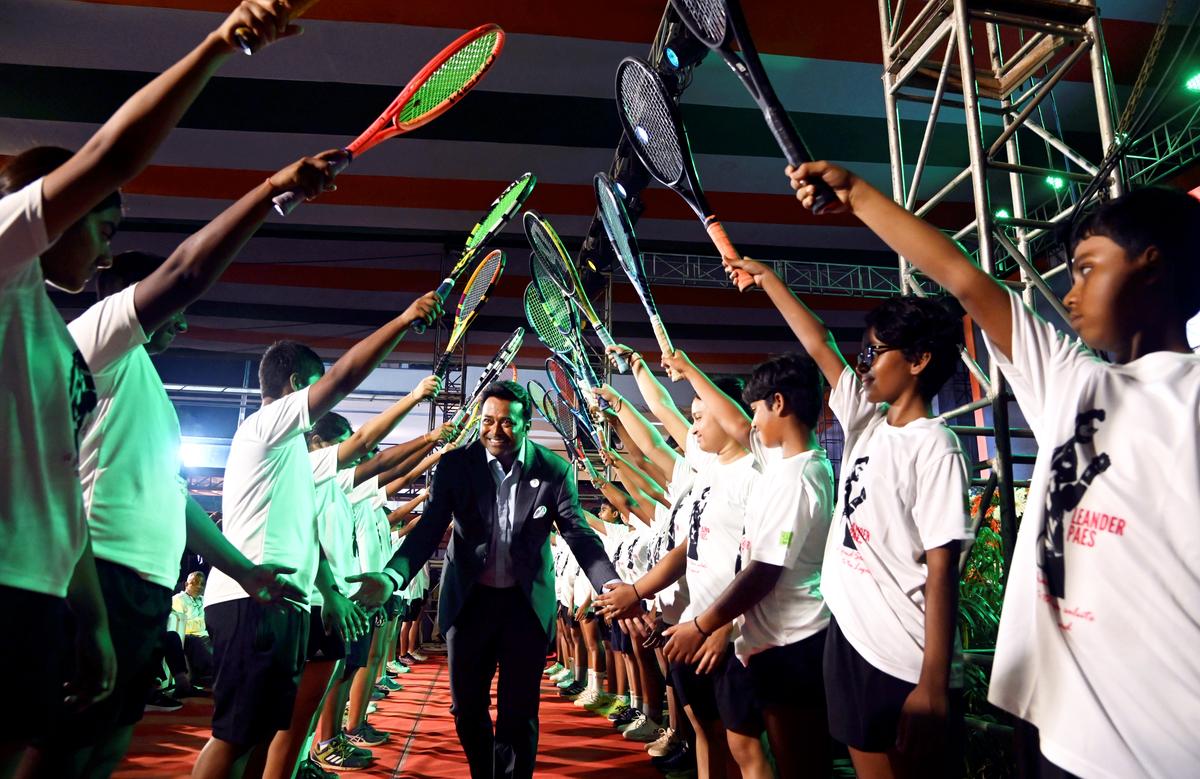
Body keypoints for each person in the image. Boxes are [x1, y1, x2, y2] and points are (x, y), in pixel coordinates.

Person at [786, 161, 1200, 778]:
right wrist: (860, 197)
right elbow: (962, 277)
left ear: (1153, 264)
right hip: (1053, 728)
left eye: (1088, 268)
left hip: (1159, 745)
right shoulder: (1072, 381)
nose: (1069, 294)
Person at [0, 3, 299, 774]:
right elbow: (171, 253)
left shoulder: (46, 335)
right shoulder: (13, 265)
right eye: (101, 224)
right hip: (21, 582)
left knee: (83, 751)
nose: (104, 252)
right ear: (52, 211)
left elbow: (61, 491)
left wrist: (91, 617)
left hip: (55, 587)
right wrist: (218, 46)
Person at [723, 245, 970, 778]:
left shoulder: (935, 446)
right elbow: (819, 341)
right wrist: (769, 280)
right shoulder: (866, 423)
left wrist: (931, 682)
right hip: (852, 642)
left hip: (904, 657)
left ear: (918, 360)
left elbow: (943, 571)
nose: (862, 364)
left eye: (876, 352)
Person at [190, 285, 442, 779]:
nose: (319, 397)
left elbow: (321, 524)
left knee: (262, 733)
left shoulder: (295, 462)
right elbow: (354, 395)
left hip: (282, 602)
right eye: (314, 386)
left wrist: (327, 591)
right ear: (293, 386)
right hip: (250, 601)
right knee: (235, 735)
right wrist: (404, 319)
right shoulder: (263, 428)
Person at [350, 381, 621, 779]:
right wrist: (392, 576)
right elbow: (429, 529)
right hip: (470, 604)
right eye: (488, 420)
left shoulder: (553, 469)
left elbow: (579, 533)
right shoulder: (457, 465)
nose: (495, 430)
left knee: (519, 712)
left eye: (507, 423)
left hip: (524, 608)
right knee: (466, 708)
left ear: (527, 424)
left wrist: (610, 584)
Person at [657, 351, 836, 778]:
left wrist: (703, 626)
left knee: (798, 764)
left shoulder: (801, 476)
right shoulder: (780, 461)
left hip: (796, 642)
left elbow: (763, 571)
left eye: (755, 409)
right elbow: (736, 423)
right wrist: (689, 372)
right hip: (770, 640)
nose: (749, 422)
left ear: (779, 403)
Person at [171, 571, 215, 690]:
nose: (199, 586)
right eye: (195, 583)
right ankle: (207, 676)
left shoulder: (205, 599)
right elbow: (181, 623)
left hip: (206, 633)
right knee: (198, 642)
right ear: (186, 584)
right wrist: (203, 623)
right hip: (188, 635)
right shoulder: (178, 599)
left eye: (202, 584)